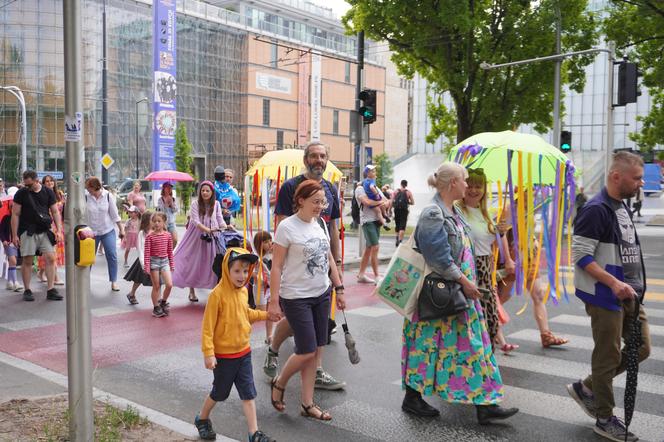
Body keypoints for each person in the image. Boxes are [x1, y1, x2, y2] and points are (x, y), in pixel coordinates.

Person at [401, 162, 518, 424]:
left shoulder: (452, 211)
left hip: (459, 293)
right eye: (464, 180)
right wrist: (465, 282)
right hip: (442, 294)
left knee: (474, 347)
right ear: (453, 182)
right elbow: (439, 258)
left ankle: (485, 403)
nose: (467, 185)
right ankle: (413, 397)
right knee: (426, 347)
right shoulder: (434, 213)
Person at [568, 151, 650, 442]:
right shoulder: (596, 209)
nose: (641, 183)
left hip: (629, 294)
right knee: (607, 356)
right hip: (605, 295)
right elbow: (580, 255)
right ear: (617, 176)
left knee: (641, 348)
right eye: (637, 178)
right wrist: (614, 283)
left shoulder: (621, 207)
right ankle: (604, 418)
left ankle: (587, 387)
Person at [264, 141, 345, 391]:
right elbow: (280, 225)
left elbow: (332, 228)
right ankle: (274, 349)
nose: (318, 160)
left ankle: (317, 370)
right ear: (305, 159)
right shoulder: (291, 187)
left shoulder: (330, 189)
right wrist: (283, 265)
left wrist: (337, 264)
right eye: (314, 156)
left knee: (316, 321)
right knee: (295, 318)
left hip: (321, 266)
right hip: (296, 268)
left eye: (323, 156)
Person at [195, 247, 279, 442]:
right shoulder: (217, 295)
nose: (242, 275)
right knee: (219, 393)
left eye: (245, 270)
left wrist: (267, 314)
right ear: (227, 270)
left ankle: (254, 434)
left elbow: (246, 315)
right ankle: (202, 418)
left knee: (248, 393)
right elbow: (207, 328)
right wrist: (208, 353)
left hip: (244, 353)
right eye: (237, 271)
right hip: (224, 357)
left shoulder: (243, 292)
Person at [496, 196, 569, 348]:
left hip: (529, 257)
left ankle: (545, 335)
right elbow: (501, 233)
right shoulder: (510, 208)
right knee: (502, 298)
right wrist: (508, 258)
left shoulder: (531, 206)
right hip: (513, 259)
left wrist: (533, 241)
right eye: (531, 190)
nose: (534, 193)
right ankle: (490, 331)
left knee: (539, 294)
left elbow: (527, 230)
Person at [458, 168, 517, 353]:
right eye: (470, 185)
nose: (474, 190)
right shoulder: (457, 210)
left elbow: (491, 243)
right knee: (471, 321)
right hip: (468, 269)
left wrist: (499, 232)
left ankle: (486, 362)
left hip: (486, 271)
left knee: (490, 319)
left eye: (479, 186)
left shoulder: (485, 214)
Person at [11, 170, 63, 302]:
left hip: (45, 229)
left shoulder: (47, 191)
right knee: (27, 260)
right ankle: (27, 290)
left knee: (51, 258)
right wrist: (14, 235)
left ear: (36, 180)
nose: (27, 187)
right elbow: (15, 214)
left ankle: (50, 289)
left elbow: (55, 211)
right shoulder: (21, 193)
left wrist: (59, 230)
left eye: (29, 184)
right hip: (27, 230)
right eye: (25, 184)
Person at [173, 181, 227, 302]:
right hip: (196, 236)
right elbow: (195, 221)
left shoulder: (217, 204)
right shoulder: (195, 204)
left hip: (213, 236)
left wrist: (227, 226)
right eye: (203, 190)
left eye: (207, 190)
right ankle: (191, 291)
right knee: (193, 261)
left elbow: (219, 219)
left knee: (213, 262)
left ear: (212, 192)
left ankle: (215, 290)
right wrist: (208, 230)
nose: (205, 193)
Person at [85, 176, 125, 292]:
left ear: (94, 187)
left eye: (88, 187)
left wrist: (121, 230)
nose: (87, 189)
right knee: (88, 258)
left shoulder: (108, 196)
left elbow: (114, 215)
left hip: (107, 230)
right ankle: (85, 281)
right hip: (91, 233)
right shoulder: (86, 197)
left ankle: (114, 281)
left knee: (112, 255)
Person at [355, 168, 388, 284]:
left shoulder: (376, 187)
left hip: (376, 220)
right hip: (367, 221)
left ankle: (361, 275)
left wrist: (384, 202)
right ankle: (377, 276)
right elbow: (367, 203)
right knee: (375, 246)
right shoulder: (360, 189)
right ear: (367, 174)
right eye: (373, 171)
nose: (375, 173)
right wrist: (381, 202)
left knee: (369, 248)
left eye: (375, 171)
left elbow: (386, 200)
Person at [144, 212, 174, 318]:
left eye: (159, 221)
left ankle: (163, 302)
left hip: (165, 261)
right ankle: (156, 307)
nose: (156, 223)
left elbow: (170, 251)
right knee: (156, 286)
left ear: (164, 222)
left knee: (169, 284)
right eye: (154, 221)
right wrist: (147, 266)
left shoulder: (168, 235)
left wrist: (172, 264)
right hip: (154, 262)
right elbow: (147, 253)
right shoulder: (150, 237)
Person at [37, 175, 65, 285]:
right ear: (43, 184)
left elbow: (63, 212)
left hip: (58, 227)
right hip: (48, 227)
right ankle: (56, 277)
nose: (49, 183)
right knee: (51, 253)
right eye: (47, 181)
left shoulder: (60, 195)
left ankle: (41, 273)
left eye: (51, 181)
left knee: (54, 253)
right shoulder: (42, 195)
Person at [123, 210, 153, 305]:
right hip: (143, 259)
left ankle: (159, 301)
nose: (155, 222)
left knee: (157, 281)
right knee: (138, 278)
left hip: (155, 260)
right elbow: (140, 249)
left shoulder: (155, 231)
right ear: (146, 221)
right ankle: (132, 294)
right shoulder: (141, 233)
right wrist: (143, 262)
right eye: (153, 220)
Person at [253, 231, 274, 344]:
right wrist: (255, 275)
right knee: (260, 312)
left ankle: (269, 336)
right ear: (259, 244)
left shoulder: (275, 253)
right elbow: (250, 271)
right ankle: (243, 323)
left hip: (271, 287)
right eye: (266, 242)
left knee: (270, 313)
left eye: (270, 240)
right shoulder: (256, 258)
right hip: (260, 287)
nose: (270, 243)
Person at [1, 201, 23, 292]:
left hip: (16, 243)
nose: (12, 208)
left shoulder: (19, 219)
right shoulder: (5, 218)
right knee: (13, 261)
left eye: (14, 206)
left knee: (12, 262)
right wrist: (4, 240)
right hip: (8, 243)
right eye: (11, 206)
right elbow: (1, 231)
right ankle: (15, 283)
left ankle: (9, 282)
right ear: (9, 208)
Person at [392, 179, 414, 247]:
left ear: (401, 184)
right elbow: (413, 202)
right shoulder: (408, 192)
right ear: (406, 185)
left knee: (397, 224)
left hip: (396, 209)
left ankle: (396, 238)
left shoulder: (396, 191)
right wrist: (407, 202)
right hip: (404, 210)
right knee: (402, 225)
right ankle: (400, 241)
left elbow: (392, 201)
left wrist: (389, 210)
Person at [157, 182, 179, 247]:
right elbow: (160, 211)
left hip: (171, 222)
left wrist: (172, 204)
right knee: (164, 241)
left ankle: (170, 253)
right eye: (167, 187)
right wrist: (166, 204)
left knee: (175, 240)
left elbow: (175, 210)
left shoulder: (173, 199)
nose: (169, 189)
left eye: (170, 188)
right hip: (163, 222)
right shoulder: (160, 199)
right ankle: (164, 254)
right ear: (164, 189)